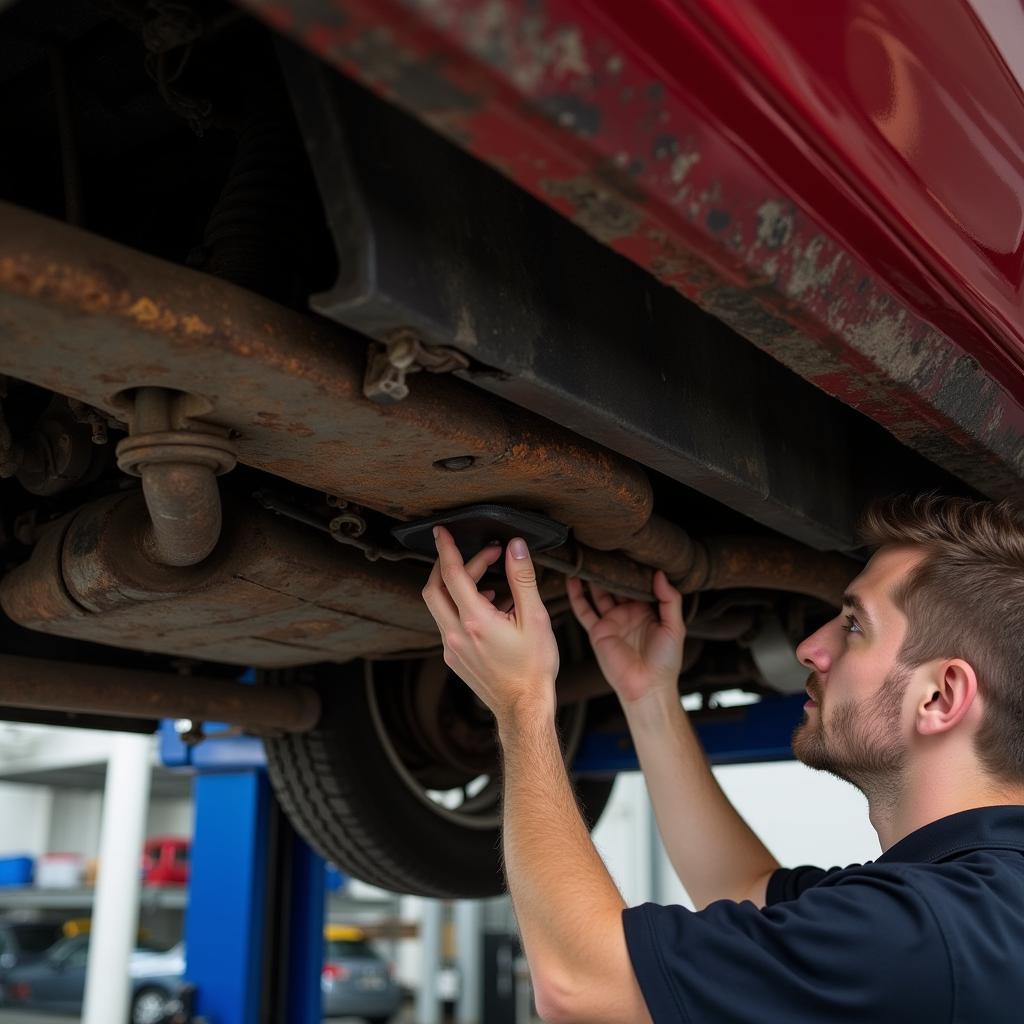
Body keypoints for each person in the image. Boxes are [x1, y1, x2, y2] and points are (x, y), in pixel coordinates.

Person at [420, 494, 1024, 1023]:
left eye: (854, 626)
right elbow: (743, 888)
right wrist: (648, 697)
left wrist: (522, 702)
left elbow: (581, 984)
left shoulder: (931, 932)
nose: (812, 647)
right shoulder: (980, 909)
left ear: (941, 696)